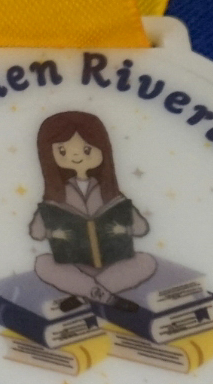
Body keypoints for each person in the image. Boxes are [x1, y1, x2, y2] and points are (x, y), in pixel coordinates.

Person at [29, 110, 155, 304]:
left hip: (112, 262)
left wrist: (124, 229)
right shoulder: (55, 198)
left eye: (87, 149)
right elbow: (36, 234)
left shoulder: (112, 195)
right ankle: (101, 295)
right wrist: (53, 232)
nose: (76, 155)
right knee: (43, 263)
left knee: (145, 261)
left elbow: (142, 228)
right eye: (62, 151)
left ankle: (85, 295)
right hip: (76, 264)